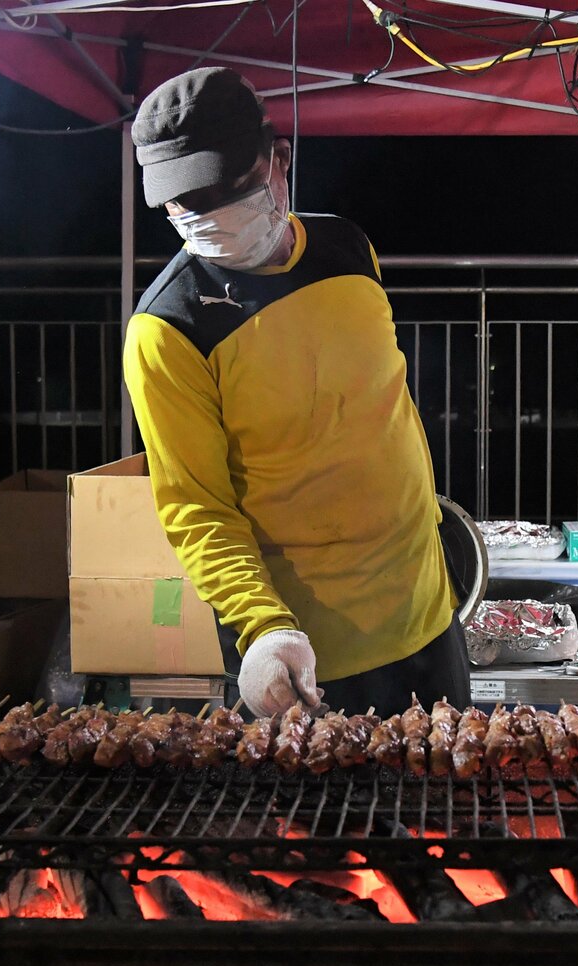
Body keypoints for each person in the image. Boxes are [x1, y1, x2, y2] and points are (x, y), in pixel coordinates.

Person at [122, 67, 468, 720]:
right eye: (187, 203)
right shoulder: (167, 330)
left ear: (279, 158)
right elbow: (197, 509)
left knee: (452, 813)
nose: (210, 214)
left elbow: (382, 407)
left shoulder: (347, 247)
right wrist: (264, 629)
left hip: (426, 614)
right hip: (306, 660)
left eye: (230, 185)